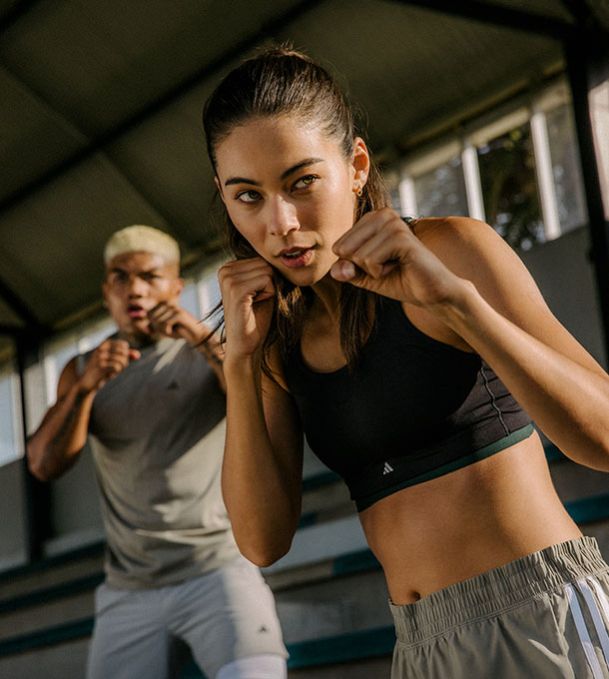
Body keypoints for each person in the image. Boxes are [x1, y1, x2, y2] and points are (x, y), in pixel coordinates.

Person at [202, 46, 609, 678]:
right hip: (421, 648)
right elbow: (261, 542)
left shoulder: (450, 250)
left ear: (356, 165)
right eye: (248, 195)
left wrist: (460, 306)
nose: (280, 223)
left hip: (542, 614)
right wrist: (239, 367)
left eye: (301, 182)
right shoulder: (275, 337)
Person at [27, 225, 287, 679]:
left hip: (217, 570)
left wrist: (199, 336)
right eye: (121, 278)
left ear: (175, 287)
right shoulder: (84, 368)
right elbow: (43, 464)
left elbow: (260, 403)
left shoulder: (211, 348)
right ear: (107, 291)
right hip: (129, 587)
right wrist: (84, 391)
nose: (135, 290)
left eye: (149, 277)